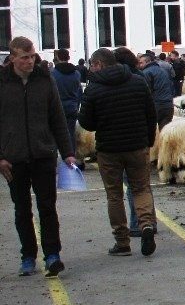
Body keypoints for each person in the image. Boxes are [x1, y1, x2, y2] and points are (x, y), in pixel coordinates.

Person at [1, 37, 77, 276]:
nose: (30, 61)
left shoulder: (45, 81)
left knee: (47, 207)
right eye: (24, 57)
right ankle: (28, 255)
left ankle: (52, 254)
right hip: (13, 159)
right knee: (22, 209)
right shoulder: (2, 83)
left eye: (32, 56)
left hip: (43, 154)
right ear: (12, 58)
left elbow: (57, 118)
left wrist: (68, 153)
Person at [78, 48, 158, 258]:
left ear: (99, 65)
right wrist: (149, 141)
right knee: (141, 189)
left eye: (92, 65)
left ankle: (122, 241)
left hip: (109, 149)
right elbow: (151, 114)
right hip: (137, 145)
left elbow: (86, 121)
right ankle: (146, 225)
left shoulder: (93, 89)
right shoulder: (138, 82)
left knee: (114, 195)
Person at [51, 48, 83, 147]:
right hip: (72, 107)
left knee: (56, 132)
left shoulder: (53, 74)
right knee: (71, 133)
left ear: (57, 57)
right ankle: (71, 156)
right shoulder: (76, 74)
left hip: (57, 107)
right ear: (69, 57)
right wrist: (76, 106)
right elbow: (79, 92)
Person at [139, 50, 176, 131]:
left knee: (151, 130)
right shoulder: (163, 70)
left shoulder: (146, 72)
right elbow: (171, 86)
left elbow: (146, 91)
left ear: (147, 62)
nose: (139, 65)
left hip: (157, 105)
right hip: (168, 104)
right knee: (165, 131)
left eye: (141, 62)